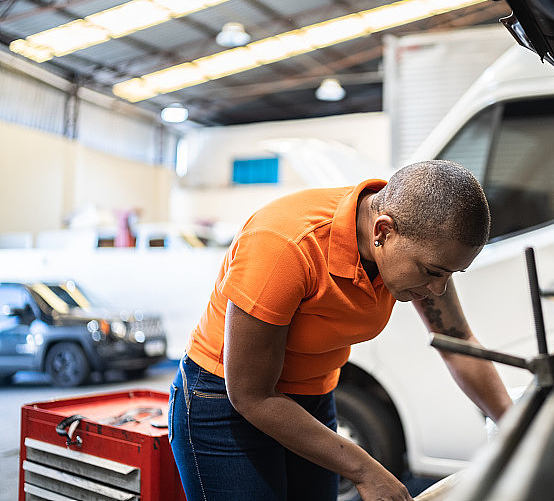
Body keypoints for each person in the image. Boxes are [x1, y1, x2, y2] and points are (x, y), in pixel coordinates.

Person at [168, 160, 513, 501]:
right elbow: (251, 395)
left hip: (311, 395)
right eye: (434, 272)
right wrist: (364, 469)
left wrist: (512, 425)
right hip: (224, 401)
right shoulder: (285, 245)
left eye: (450, 274)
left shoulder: (420, 242)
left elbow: (456, 341)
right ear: (383, 232)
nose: (439, 289)